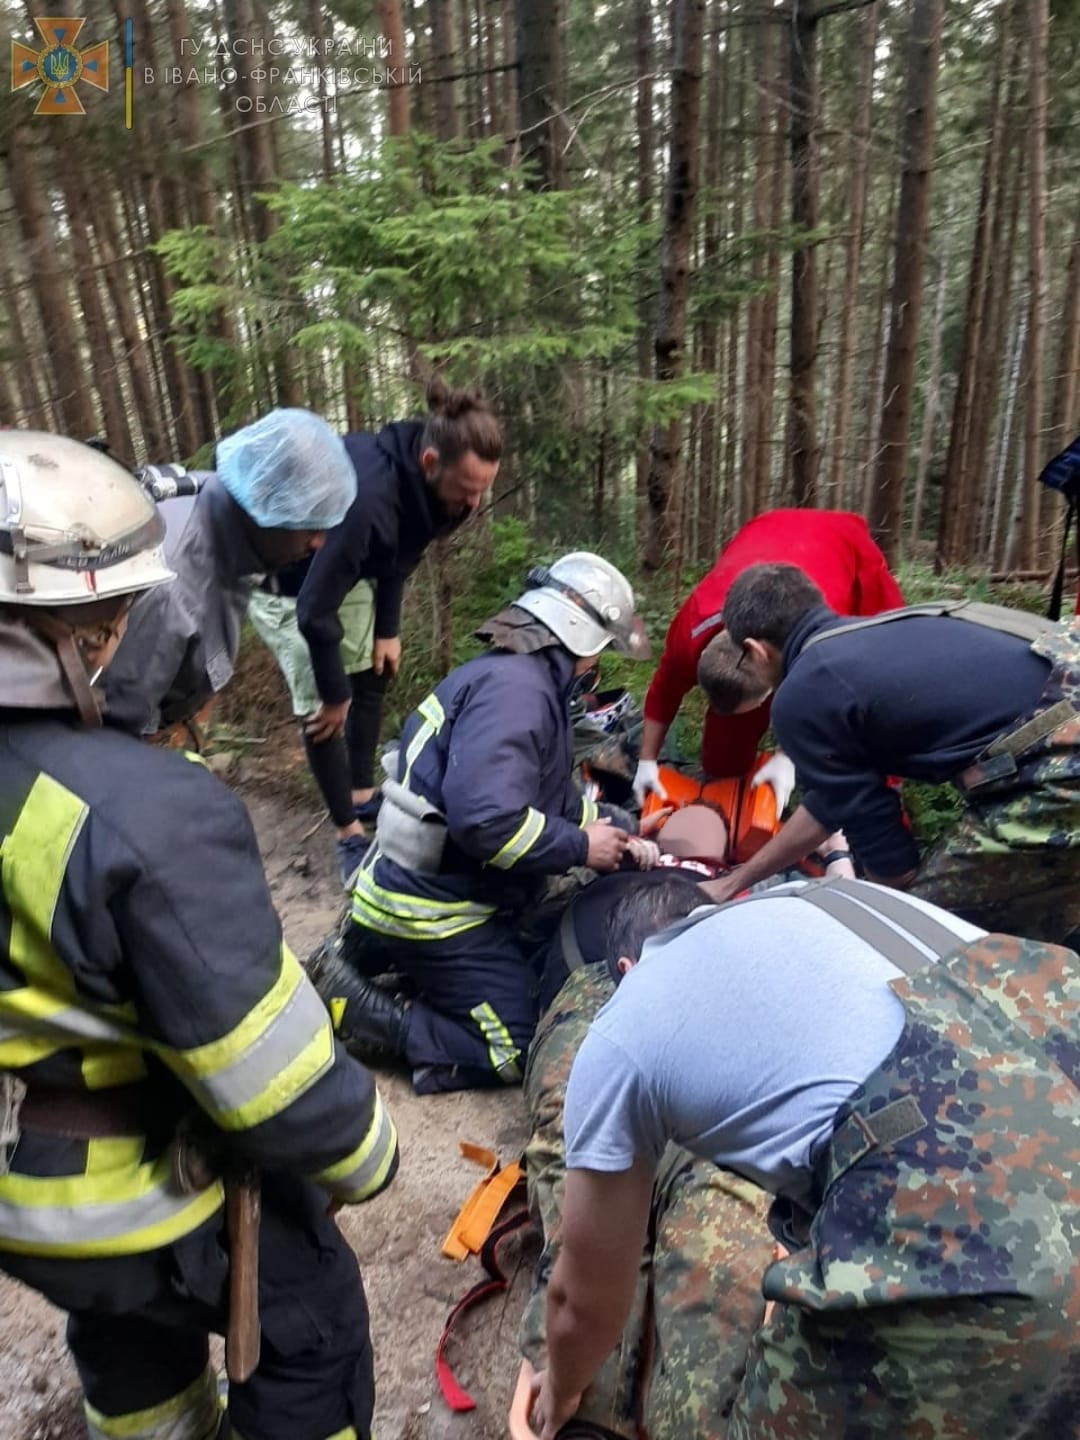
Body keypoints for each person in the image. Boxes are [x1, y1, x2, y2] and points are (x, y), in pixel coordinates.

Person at [0, 431, 399, 1440]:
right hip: (135, 1201)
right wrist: (368, 1150)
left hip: (35, 1195)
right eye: (114, 618)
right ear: (85, 630)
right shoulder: (145, 816)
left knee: (129, 1344)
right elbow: (271, 1081)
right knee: (313, 1326)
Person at [528, 877, 1080, 1439]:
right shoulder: (816, 900)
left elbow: (584, 1298)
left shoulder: (623, 1026)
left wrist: (561, 1388)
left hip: (968, 1195)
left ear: (624, 969)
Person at [306, 552, 650, 1096]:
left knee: (525, 958)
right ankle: (353, 1008)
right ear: (579, 638)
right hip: (432, 906)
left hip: (428, 887)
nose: (598, 666)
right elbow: (487, 823)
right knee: (514, 1044)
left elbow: (539, 796)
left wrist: (607, 820)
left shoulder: (520, 680)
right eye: (600, 650)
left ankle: (381, 951)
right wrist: (583, 846)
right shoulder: (519, 695)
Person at [518, 874, 775, 1439]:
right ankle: (598, 1411)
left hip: (694, 1095)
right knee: (602, 1196)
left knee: (713, 1207)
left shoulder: (718, 971)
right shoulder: (597, 991)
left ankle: (666, 1415)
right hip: (613, 1043)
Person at [702, 563, 1080, 942]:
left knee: (925, 935)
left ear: (756, 650)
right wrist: (737, 881)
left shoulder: (804, 693)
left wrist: (874, 919)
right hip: (1065, 686)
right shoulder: (875, 634)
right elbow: (831, 805)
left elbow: (893, 866)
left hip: (1061, 760)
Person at [290, 379, 503, 883]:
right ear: (430, 463)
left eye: (483, 490)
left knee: (375, 672)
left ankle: (362, 794)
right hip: (292, 578)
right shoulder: (367, 500)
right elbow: (313, 610)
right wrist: (333, 693)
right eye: (467, 490)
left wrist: (388, 627)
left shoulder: (435, 491)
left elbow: (400, 552)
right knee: (325, 709)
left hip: (349, 565)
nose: (475, 504)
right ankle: (347, 834)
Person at [103, 407, 357, 748]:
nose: (319, 542)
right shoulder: (172, 593)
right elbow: (118, 734)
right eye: (309, 525)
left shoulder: (220, 496)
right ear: (262, 506)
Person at [634, 508, 904, 812]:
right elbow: (663, 692)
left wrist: (785, 756)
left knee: (877, 697)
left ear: (764, 656)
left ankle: (883, 796)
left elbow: (826, 703)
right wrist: (646, 761)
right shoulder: (688, 634)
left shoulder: (821, 641)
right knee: (725, 754)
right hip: (762, 531)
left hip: (838, 545)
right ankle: (730, 789)